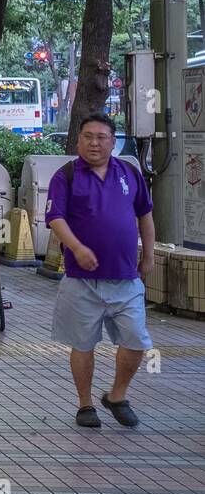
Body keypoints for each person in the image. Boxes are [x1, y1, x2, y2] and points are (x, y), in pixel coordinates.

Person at [45, 113, 155, 429]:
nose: (94, 142)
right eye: (88, 136)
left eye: (102, 137)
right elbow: (55, 219)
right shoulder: (65, 175)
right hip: (81, 281)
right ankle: (85, 404)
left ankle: (117, 395)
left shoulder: (129, 173)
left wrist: (148, 255)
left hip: (125, 277)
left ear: (112, 141)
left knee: (136, 340)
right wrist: (77, 248)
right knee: (83, 343)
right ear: (78, 139)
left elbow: (145, 215)